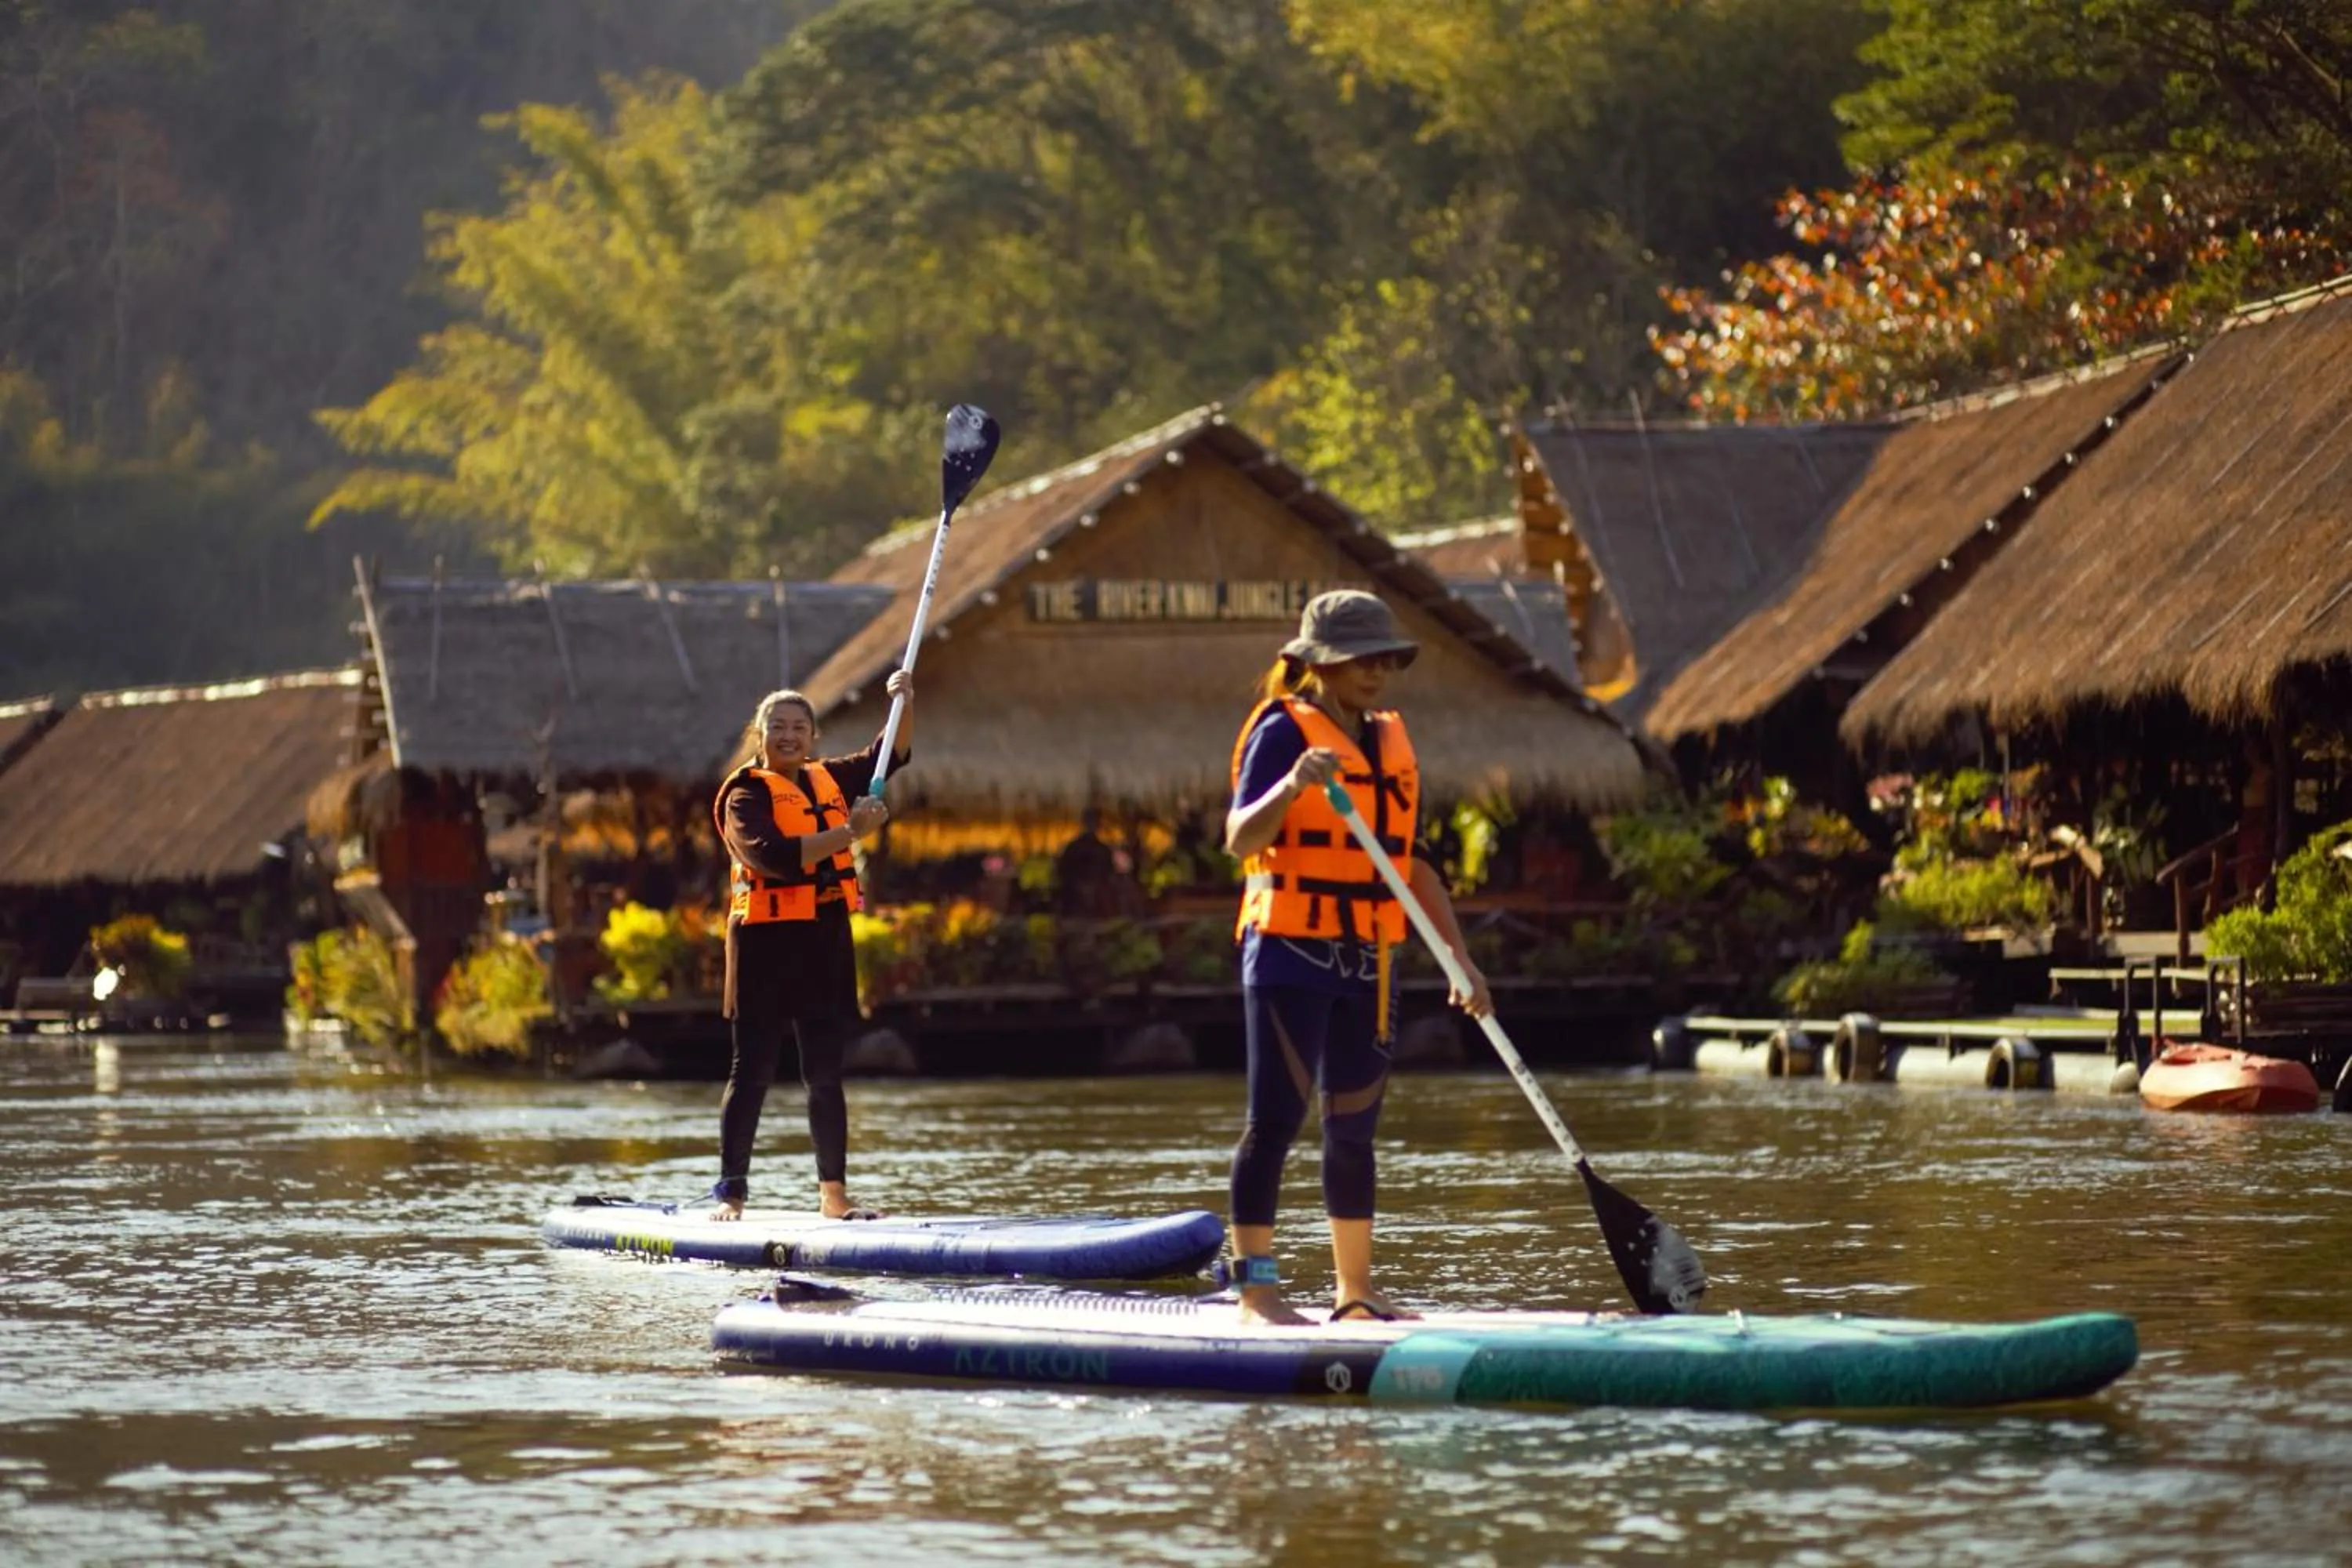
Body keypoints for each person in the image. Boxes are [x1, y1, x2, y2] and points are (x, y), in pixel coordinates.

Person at [1223, 590, 1491, 1324]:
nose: (1374, 673)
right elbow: (1241, 839)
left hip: (1371, 958)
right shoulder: (1282, 732)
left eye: (1384, 659)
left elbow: (1418, 864)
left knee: (1354, 1133)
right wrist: (1292, 785)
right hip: (1288, 952)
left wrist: (1458, 963)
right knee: (1274, 1122)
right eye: (1358, 659)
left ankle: (1356, 1292)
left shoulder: (1385, 741)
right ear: (1318, 664)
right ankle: (1258, 1294)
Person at [709, 669, 912, 1221]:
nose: (790, 735)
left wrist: (904, 700)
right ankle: (731, 1193)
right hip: (764, 944)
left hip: (822, 937)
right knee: (751, 1069)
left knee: (824, 1071)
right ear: (760, 734)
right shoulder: (746, 795)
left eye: (800, 726)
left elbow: (888, 754)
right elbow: (770, 857)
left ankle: (834, 1196)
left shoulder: (827, 778)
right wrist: (850, 833)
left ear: (814, 735)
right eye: (779, 726)